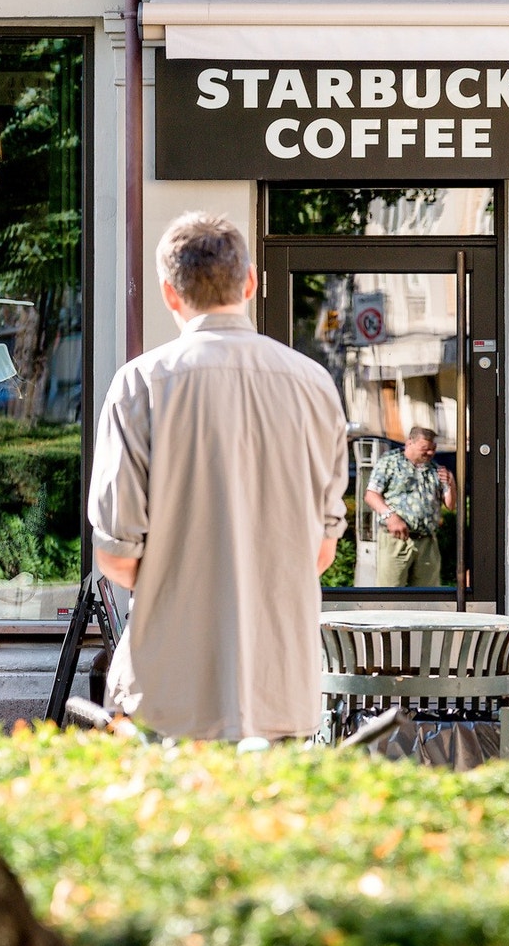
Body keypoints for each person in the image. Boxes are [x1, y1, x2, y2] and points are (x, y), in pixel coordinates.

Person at [89, 211, 348, 741]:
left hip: (169, 689)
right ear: (250, 282)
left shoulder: (139, 384)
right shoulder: (314, 385)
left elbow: (116, 555)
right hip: (281, 688)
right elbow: (321, 552)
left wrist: (180, 579)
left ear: (168, 292)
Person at [364, 426, 456, 587]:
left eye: (433, 449)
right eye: (425, 449)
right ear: (409, 443)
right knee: (390, 595)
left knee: (428, 599)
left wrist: (451, 483)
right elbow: (371, 495)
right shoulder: (390, 462)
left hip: (427, 542)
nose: (430, 453)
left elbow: (450, 505)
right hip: (396, 540)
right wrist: (390, 516)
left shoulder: (435, 469)